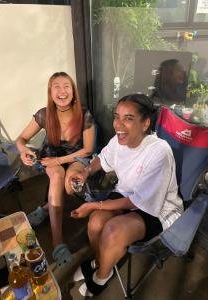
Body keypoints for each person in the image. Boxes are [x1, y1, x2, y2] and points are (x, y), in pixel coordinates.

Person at [70, 94, 183, 297]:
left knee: (113, 230)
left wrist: (95, 205)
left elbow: (140, 201)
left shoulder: (159, 152)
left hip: (157, 207)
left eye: (128, 118)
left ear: (145, 123)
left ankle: (101, 276)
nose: (118, 124)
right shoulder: (119, 140)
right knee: (96, 223)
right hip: (127, 195)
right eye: (117, 116)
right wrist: (85, 172)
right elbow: (103, 159)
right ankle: (102, 260)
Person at [15, 72, 95, 267]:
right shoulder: (44, 114)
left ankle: (44, 209)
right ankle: (57, 241)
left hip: (77, 157)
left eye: (66, 86)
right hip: (50, 158)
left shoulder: (84, 115)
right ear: (50, 93)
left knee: (69, 187)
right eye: (56, 86)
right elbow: (20, 139)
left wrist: (59, 160)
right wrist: (24, 151)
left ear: (73, 92)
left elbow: (88, 149)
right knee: (57, 177)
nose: (62, 91)